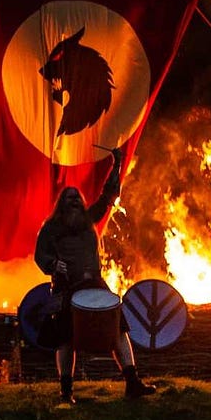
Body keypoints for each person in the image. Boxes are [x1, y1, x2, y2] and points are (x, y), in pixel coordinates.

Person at [33, 149, 155, 403]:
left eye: (77, 198)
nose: (74, 201)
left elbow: (109, 195)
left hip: (96, 285)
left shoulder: (89, 219)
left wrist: (117, 163)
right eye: (69, 198)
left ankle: (132, 382)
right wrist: (53, 265)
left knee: (118, 329)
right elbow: (40, 256)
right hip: (67, 288)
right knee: (65, 337)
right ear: (61, 204)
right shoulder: (51, 228)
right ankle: (66, 392)